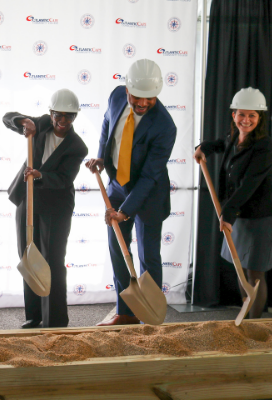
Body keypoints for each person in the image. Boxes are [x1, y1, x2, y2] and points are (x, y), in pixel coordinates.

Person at [85, 59, 177, 326]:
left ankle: (150, 316)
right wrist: (101, 157)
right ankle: (124, 313)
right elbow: (107, 124)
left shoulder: (164, 126)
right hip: (116, 186)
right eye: (138, 97)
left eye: (150, 98)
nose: (144, 103)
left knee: (148, 257)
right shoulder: (116, 96)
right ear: (127, 89)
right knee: (118, 250)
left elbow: (149, 177)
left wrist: (125, 211)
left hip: (148, 195)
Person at [3, 89, 89, 329]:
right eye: (58, 115)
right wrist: (23, 122)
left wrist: (40, 175)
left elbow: (64, 179)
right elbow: (7, 117)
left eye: (69, 116)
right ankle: (33, 316)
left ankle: (56, 320)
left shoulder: (77, 147)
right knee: (28, 255)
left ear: (75, 117)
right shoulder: (39, 123)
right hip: (27, 198)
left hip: (55, 206)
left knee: (51, 260)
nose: (63, 122)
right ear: (50, 113)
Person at [194, 87, 272, 319]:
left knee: (255, 274)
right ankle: (247, 310)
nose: (246, 120)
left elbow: (249, 185)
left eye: (252, 115)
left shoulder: (265, 147)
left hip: (260, 218)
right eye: (242, 114)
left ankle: (254, 324)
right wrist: (204, 147)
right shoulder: (234, 137)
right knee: (239, 266)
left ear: (260, 118)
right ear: (234, 115)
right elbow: (221, 143)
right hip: (238, 214)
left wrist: (227, 214)